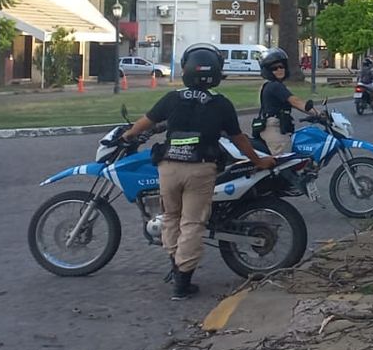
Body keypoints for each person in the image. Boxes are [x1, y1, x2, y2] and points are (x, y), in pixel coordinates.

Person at [117, 43, 272, 300]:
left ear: (186, 69)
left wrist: (126, 135)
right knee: (192, 223)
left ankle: (175, 265)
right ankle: (182, 280)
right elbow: (239, 140)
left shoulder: (172, 98)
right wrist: (259, 160)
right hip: (200, 170)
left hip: (169, 168)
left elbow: (144, 123)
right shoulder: (221, 104)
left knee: (170, 217)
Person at [255, 47, 319, 155]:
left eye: (282, 66)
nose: (279, 70)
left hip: (278, 127)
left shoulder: (273, 85)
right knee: (282, 165)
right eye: (274, 68)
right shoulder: (274, 86)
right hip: (273, 129)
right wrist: (317, 113)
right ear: (268, 71)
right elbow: (295, 101)